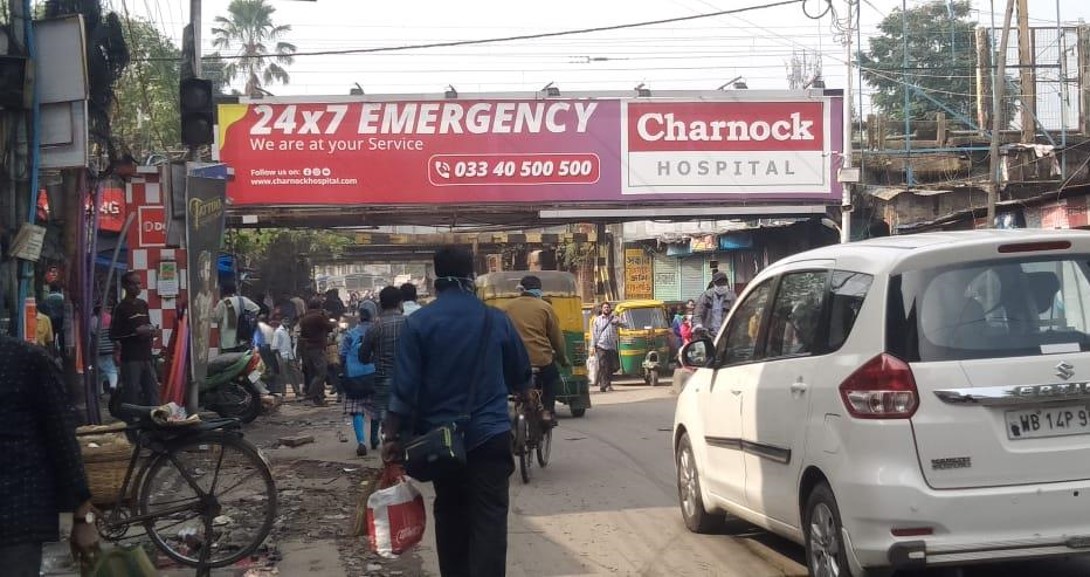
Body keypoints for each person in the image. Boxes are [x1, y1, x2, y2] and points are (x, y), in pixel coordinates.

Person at [382, 246, 531, 577]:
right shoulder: (496, 320)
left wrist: (391, 437)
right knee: (490, 521)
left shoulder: (419, 324)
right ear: (471, 275)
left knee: (450, 515)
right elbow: (521, 375)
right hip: (490, 439)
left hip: (442, 444)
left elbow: (404, 389)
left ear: (435, 277)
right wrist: (525, 394)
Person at [0, 334, 100, 576]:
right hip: (17, 516)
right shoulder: (27, 360)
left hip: (15, 522)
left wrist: (82, 519)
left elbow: (63, 444)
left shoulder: (28, 362)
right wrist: (83, 521)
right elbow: (63, 442)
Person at [497, 275, 569, 424]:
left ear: (521, 290)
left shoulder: (505, 308)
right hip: (540, 360)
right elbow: (557, 339)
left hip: (512, 361)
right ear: (539, 290)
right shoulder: (545, 307)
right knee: (551, 377)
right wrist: (563, 359)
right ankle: (547, 411)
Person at [360, 286, 407, 451]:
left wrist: (376, 357)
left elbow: (363, 356)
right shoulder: (410, 323)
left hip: (383, 378)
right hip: (407, 378)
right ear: (400, 303)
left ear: (380, 304)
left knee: (384, 415)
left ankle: (386, 446)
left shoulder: (375, 327)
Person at [111, 272, 160, 408]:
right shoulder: (121, 308)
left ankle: (154, 423)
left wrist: (152, 332)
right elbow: (114, 334)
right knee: (131, 394)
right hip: (131, 359)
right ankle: (131, 426)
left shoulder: (143, 304)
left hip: (147, 357)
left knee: (153, 392)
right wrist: (135, 333)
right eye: (134, 283)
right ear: (126, 286)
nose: (138, 287)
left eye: (139, 283)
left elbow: (148, 325)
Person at [341, 301, 378, 456]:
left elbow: (342, 355)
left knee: (357, 411)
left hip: (354, 377)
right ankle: (374, 439)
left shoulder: (350, 334)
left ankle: (361, 442)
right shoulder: (377, 331)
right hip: (374, 374)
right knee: (376, 410)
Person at [298, 298, 335, 406]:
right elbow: (329, 327)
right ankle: (311, 395)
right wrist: (327, 318)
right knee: (321, 373)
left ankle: (318, 399)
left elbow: (303, 334)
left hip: (308, 347)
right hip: (317, 347)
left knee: (314, 373)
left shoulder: (304, 318)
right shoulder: (318, 317)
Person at [212, 282, 261, 351]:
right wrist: (246, 317)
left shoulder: (223, 303)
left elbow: (215, 318)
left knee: (229, 360)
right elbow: (257, 308)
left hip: (228, 342)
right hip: (243, 339)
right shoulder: (243, 300)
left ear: (223, 292)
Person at [591, 302, 623, 392]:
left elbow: (625, 324)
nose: (606, 309)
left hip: (611, 346)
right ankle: (603, 385)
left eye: (608, 307)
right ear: (602, 309)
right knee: (602, 365)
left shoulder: (614, 319)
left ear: (610, 309)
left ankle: (608, 384)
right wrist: (593, 346)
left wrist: (618, 321)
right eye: (605, 307)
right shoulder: (597, 320)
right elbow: (594, 334)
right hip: (601, 346)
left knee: (610, 367)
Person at [693, 271, 737, 339]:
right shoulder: (706, 296)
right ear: (714, 283)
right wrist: (698, 325)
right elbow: (698, 313)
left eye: (723, 283)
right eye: (719, 283)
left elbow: (737, 315)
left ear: (727, 283)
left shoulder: (732, 297)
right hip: (708, 335)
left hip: (726, 336)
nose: (721, 286)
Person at [271, 313, 303, 398]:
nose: (286, 321)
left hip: (290, 355)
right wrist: (279, 357)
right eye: (284, 320)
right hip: (282, 355)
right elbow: (275, 347)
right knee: (283, 375)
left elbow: (291, 344)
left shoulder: (289, 331)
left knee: (294, 374)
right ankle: (283, 393)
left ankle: (297, 391)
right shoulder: (278, 332)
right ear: (281, 321)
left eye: (287, 320)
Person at [91, 305, 119, 395]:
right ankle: (113, 386)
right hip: (109, 349)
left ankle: (100, 390)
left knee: (100, 369)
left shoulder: (93, 320)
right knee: (111, 370)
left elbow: (93, 334)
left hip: (99, 349)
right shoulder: (110, 318)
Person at [39, 282, 66, 354]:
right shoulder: (62, 298)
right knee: (62, 336)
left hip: (50, 320)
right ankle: (62, 351)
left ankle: (52, 352)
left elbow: (43, 310)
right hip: (61, 320)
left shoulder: (46, 299)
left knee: (51, 338)